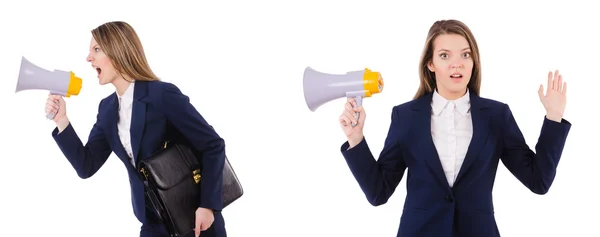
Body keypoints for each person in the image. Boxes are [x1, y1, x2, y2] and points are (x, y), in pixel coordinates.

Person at [338, 19, 571, 237]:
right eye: (444, 55)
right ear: (431, 64)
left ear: (473, 62)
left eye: (465, 55)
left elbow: (538, 180)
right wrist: (356, 139)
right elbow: (379, 192)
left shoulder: (496, 116)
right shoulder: (406, 117)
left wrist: (554, 117)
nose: (456, 63)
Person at [46, 21, 227, 237]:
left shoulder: (162, 95)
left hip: (194, 220)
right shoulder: (107, 110)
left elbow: (213, 145)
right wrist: (62, 120)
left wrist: (208, 205)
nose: (88, 58)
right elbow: (87, 165)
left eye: (96, 49)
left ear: (118, 52)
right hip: (153, 224)